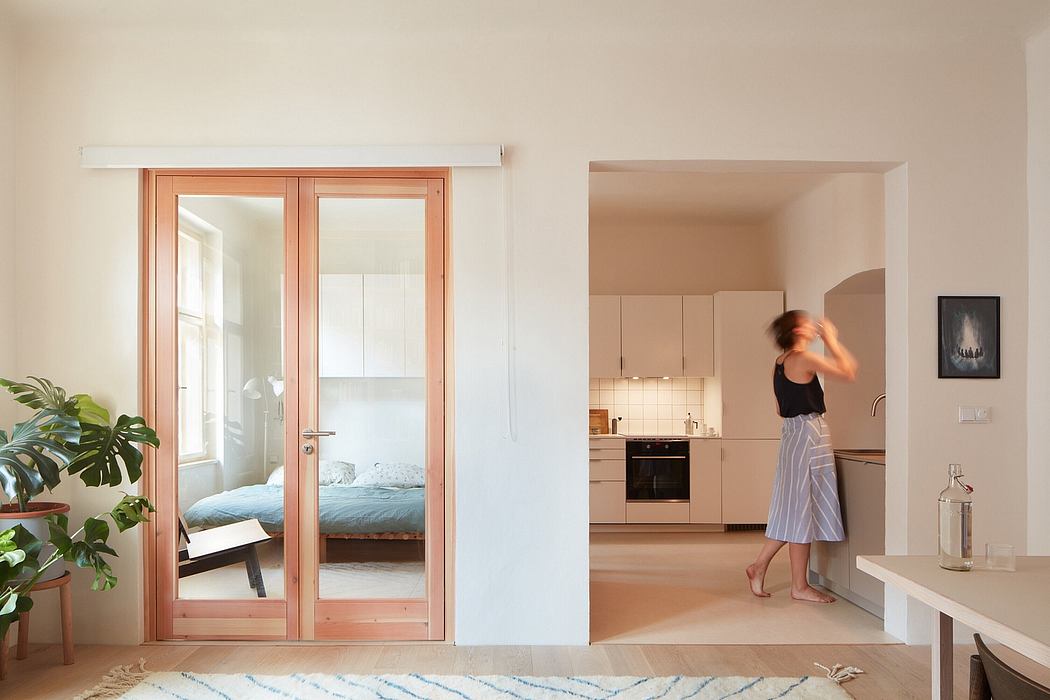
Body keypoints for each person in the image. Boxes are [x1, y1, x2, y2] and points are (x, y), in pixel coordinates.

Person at [745, 310, 858, 603]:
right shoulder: (803, 358)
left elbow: (779, 408)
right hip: (809, 434)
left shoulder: (779, 363)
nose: (813, 325)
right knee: (801, 507)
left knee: (794, 507)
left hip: (791, 436)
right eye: (807, 322)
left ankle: (766, 570)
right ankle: (795, 584)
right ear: (797, 330)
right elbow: (848, 371)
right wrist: (832, 340)